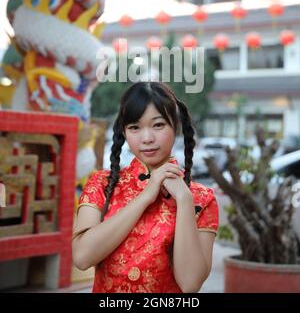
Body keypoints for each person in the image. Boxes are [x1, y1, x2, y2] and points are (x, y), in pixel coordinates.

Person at [72, 82, 219, 293]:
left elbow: (190, 284)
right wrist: (146, 196)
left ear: (175, 126)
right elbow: (82, 257)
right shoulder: (102, 184)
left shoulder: (201, 198)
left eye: (158, 125)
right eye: (135, 127)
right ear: (124, 132)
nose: (147, 138)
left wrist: (185, 201)